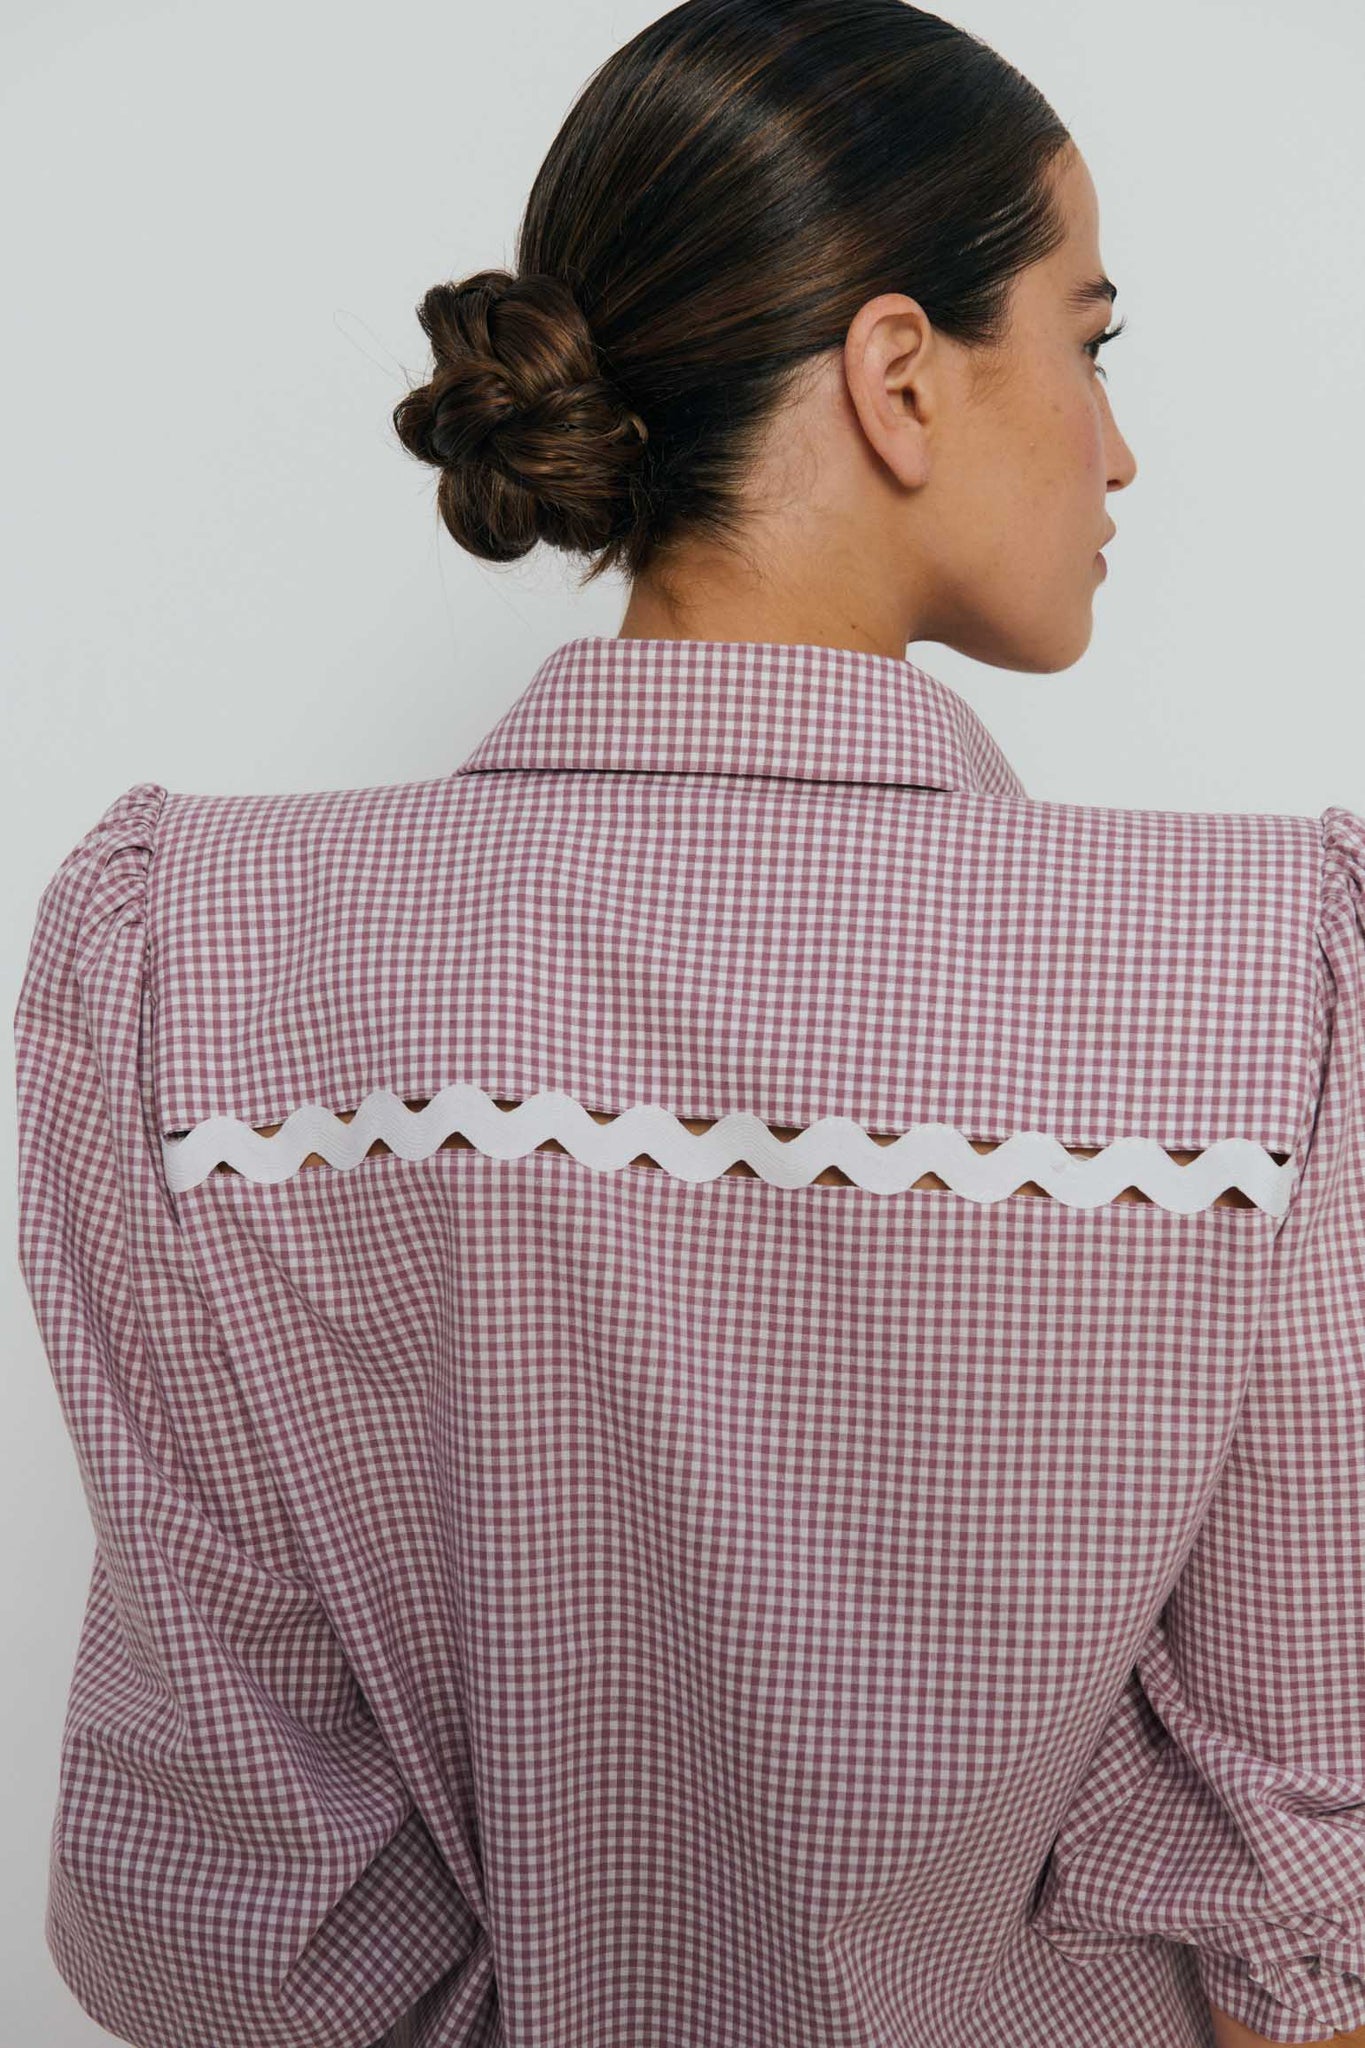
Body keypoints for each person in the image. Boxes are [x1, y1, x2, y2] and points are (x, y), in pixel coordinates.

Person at [16, 4, 1365, 2046]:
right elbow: (1312, 1872)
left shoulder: (191, 949)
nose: (1114, 445)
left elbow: (222, 1913)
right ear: (897, 376)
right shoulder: (1266, 975)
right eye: (1087, 342)